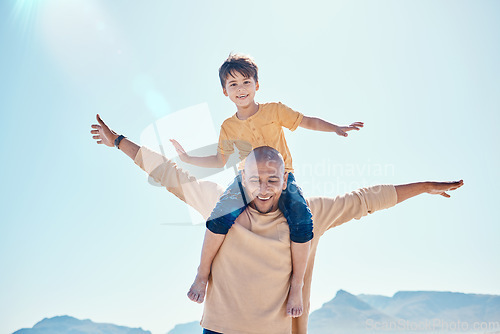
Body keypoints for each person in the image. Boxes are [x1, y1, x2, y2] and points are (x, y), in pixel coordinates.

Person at [90, 114, 464, 334]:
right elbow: (168, 173)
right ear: (242, 178)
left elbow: (366, 199)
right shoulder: (220, 204)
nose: (264, 188)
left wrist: (426, 186)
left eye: (273, 180)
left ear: (286, 180)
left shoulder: (309, 212)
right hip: (219, 329)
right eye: (255, 180)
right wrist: (119, 141)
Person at [169, 53, 364, 317]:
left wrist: (336, 128)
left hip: (282, 178)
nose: (241, 89)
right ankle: (202, 275)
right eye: (233, 84)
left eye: (246, 82)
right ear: (224, 91)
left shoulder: (274, 111)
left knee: (303, 220)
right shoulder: (228, 126)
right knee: (219, 217)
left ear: (257, 85)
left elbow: (305, 121)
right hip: (246, 180)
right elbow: (220, 159)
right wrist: (188, 158)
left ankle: (297, 284)